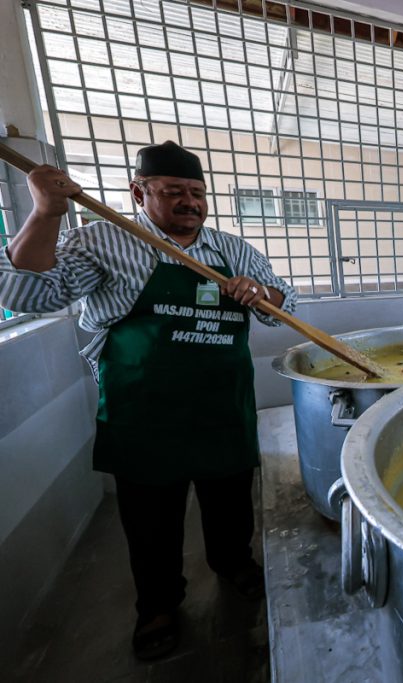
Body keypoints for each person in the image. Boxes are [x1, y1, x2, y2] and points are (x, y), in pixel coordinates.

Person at [0, 141, 297, 660]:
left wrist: (262, 294)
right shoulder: (105, 240)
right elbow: (26, 294)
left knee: (230, 505)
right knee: (150, 520)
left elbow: (283, 303)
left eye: (197, 192)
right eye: (174, 191)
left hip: (220, 407)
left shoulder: (231, 249)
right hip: (144, 411)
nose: (190, 202)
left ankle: (235, 564)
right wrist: (48, 212)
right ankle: (157, 604)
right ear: (139, 192)